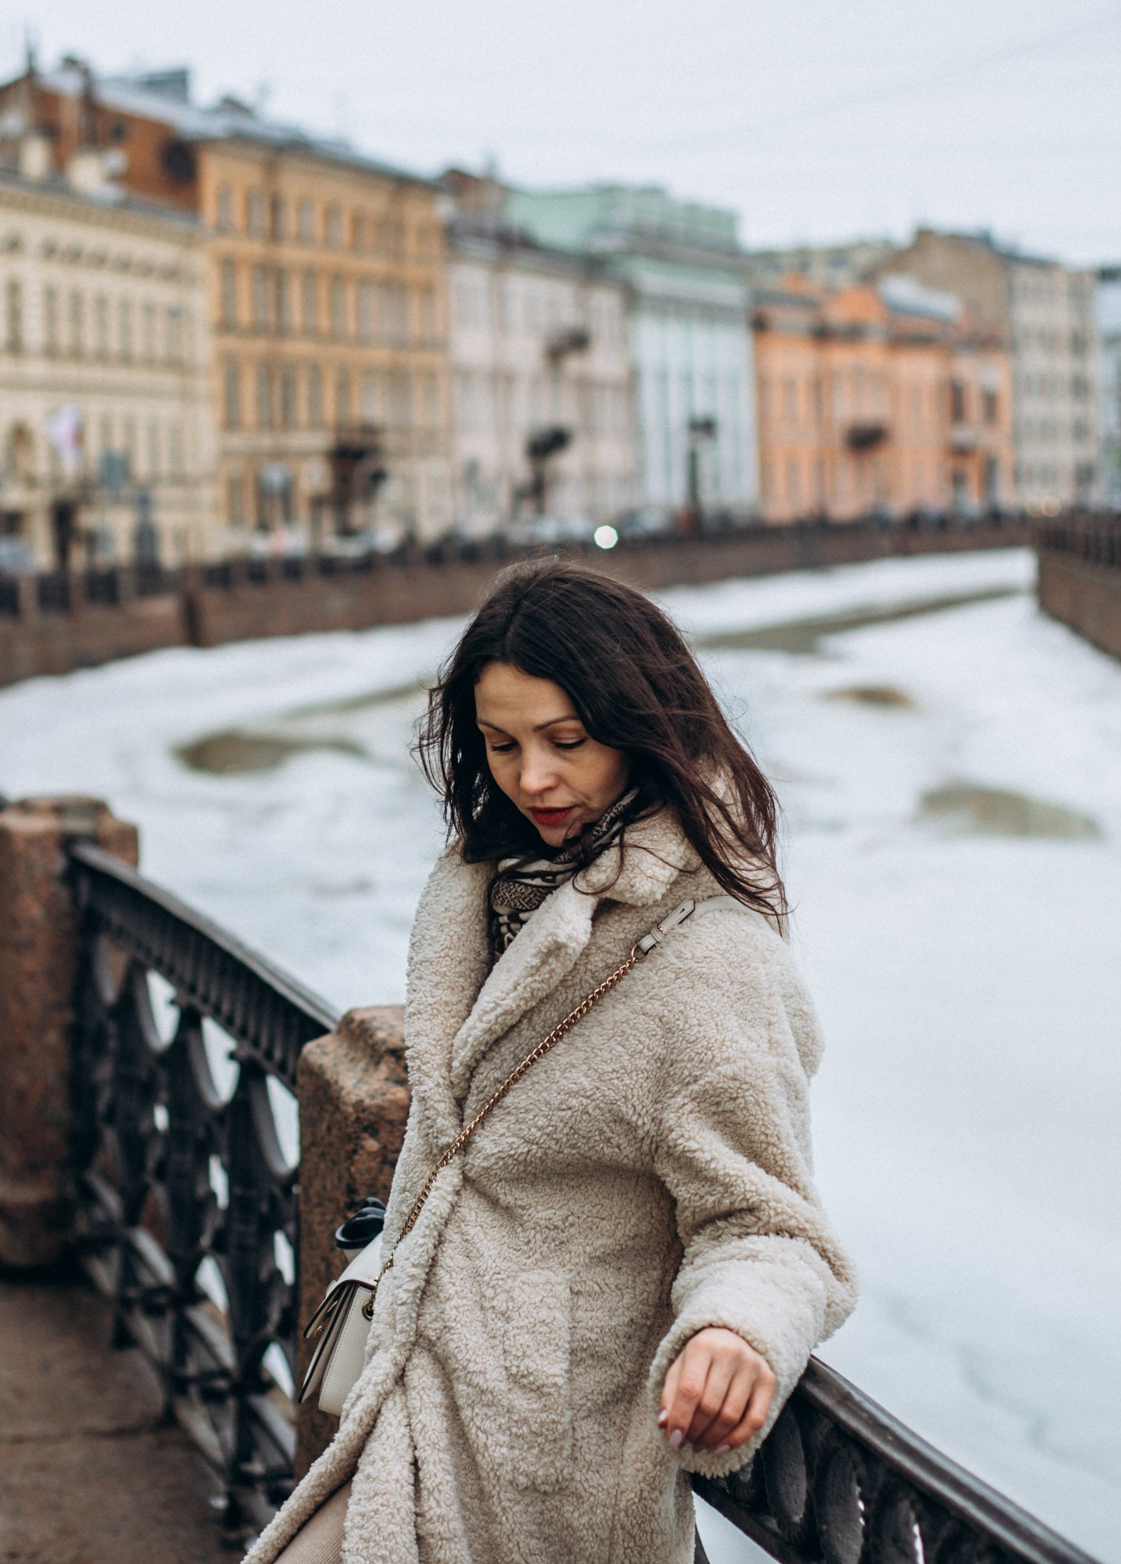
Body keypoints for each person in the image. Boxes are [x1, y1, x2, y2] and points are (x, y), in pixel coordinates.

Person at [251, 561, 854, 1564]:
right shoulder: (487, 893)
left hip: (547, 1484)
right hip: (415, 1411)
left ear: (642, 723)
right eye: (501, 744)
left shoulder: (714, 962)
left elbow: (773, 1226)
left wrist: (736, 1332)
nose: (531, 778)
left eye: (566, 742)